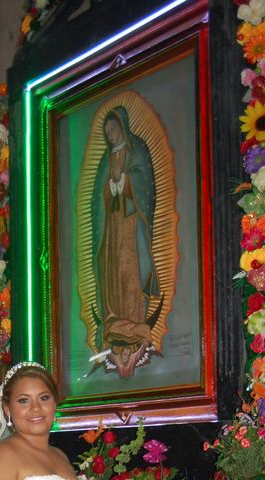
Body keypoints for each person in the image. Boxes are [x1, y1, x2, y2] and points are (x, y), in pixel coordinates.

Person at [95, 108, 160, 377]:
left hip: (132, 224)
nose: (110, 135)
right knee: (112, 273)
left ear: (122, 126)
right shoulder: (105, 161)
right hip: (112, 228)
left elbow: (146, 185)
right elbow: (98, 200)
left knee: (130, 273)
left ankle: (134, 324)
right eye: (107, 132)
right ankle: (116, 324)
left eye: (113, 129)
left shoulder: (138, 149)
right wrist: (110, 188)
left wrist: (127, 181)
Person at [0, 362, 77, 480]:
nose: (36, 408)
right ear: (8, 409)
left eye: (44, 398)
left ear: (55, 403)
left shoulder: (61, 456)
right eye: (24, 400)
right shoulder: (3, 456)